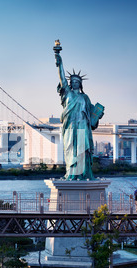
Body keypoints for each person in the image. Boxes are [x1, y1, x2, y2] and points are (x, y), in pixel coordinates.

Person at [54, 45, 105, 181]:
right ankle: (71, 174)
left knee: (83, 151)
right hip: (70, 127)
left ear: (80, 84)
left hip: (82, 127)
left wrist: (98, 115)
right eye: (73, 81)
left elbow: (92, 117)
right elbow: (61, 78)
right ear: (70, 83)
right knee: (71, 149)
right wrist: (58, 59)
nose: (75, 83)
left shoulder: (85, 98)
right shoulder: (67, 94)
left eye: (77, 82)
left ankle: (84, 174)